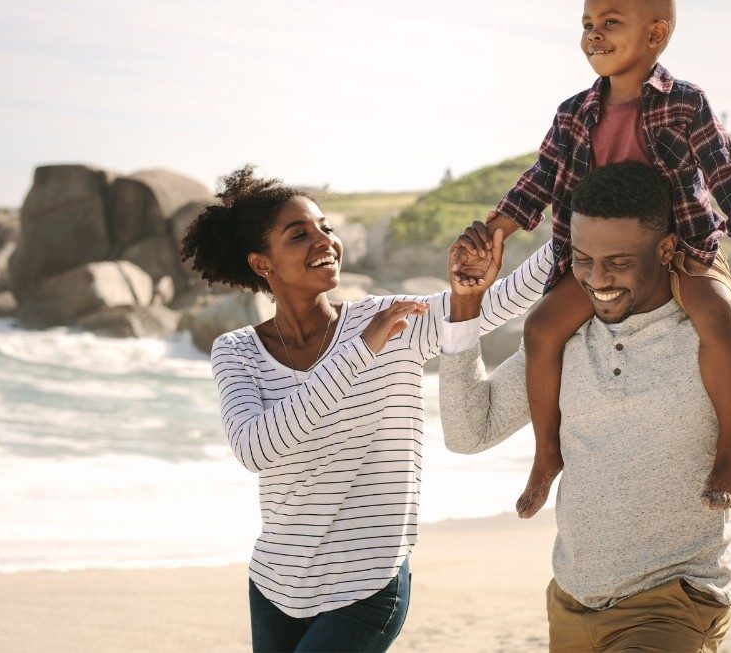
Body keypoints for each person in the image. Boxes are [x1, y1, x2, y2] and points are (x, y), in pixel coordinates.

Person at [440, 162, 731, 652]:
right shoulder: (565, 336)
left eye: (618, 262)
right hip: (572, 601)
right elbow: (469, 433)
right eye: (582, 259)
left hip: (674, 602)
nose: (597, 279)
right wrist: (466, 306)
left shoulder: (730, 336)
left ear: (664, 250)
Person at [180, 165, 552, 652]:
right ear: (262, 263)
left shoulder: (391, 320)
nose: (325, 242)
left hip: (366, 584)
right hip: (276, 584)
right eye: (299, 235)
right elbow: (256, 448)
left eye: (326, 228)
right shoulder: (238, 351)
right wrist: (362, 350)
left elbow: (496, 302)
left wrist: (576, 232)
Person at [469, 0, 731, 519]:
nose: (593, 35)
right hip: (594, 256)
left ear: (656, 34)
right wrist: (498, 227)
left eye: (610, 23)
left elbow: (722, 166)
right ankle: (547, 451)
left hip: (679, 247)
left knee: (716, 316)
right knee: (541, 329)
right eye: (587, 25)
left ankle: (730, 446)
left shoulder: (684, 103)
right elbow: (541, 176)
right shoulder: (573, 112)